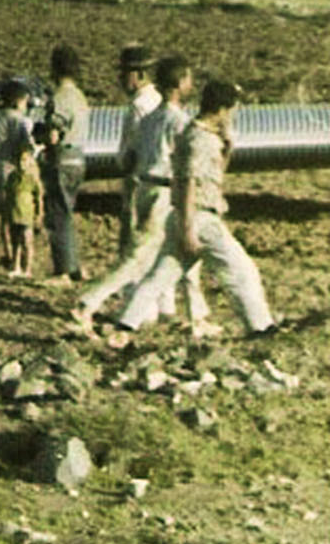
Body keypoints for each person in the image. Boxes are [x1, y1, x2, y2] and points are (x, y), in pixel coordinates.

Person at [107, 80, 275, 345]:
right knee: (241, 270)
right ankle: (261, 327)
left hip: (188, 216)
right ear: (221, 109)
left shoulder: (196, 134)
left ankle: (125, 325)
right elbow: (187, 182)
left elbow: (214, 174)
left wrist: (227, 147)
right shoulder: (199, 139)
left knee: (161, 275)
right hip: (200, 218)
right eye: (231, 109)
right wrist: (188, 230)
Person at [77, 57, 214, 337]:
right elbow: (186, 162)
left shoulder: (149, 118)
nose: (191, 84)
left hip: (147, 188)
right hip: (166, 192)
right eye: (188, 79)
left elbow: (130, 156)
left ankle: (195, 316)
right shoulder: (179, 122)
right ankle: (87, 302)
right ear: (178, 84)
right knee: (141, 258)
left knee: (181, 255)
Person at [39, 44, 89, 285]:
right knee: (68, 212)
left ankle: (63, 271)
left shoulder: (58, 98)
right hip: (79, 158)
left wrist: (41, 134)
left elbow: (53, 136)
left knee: (57, 214)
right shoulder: (80, 96)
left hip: (62, 158)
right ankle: (75, 265)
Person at [0, 82, 42, 278]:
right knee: (23, 216)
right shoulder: (22, 121)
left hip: (0, 167)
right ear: (20, 100)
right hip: (19, 168)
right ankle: (24, 263)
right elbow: (28, 145)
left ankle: (10, 256)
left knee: (5, 216)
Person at [114, 44, 161, 258]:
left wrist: (128, 172)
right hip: (155, 176)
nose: (121, 79)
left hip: (138, 177)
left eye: (125, 74)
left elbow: (133, 148)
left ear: (139, 75)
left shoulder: (139, 105)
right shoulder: (158, 101)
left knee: (132, 237)